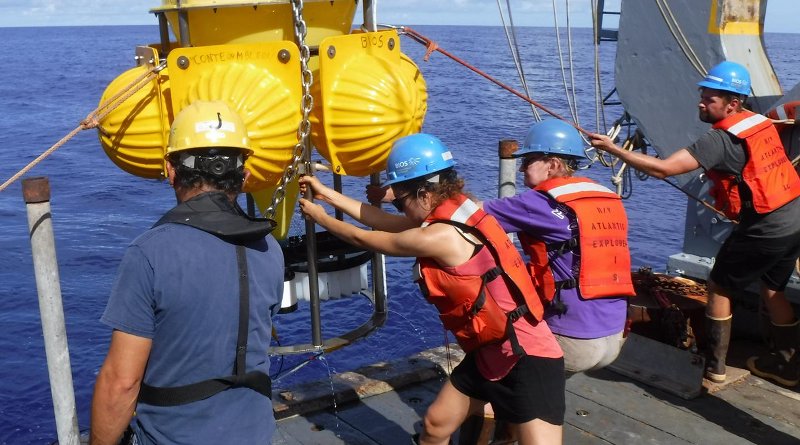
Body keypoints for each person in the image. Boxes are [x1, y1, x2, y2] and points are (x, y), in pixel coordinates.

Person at [299, 133, 566, 445]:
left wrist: (320, 218)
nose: (398, 209)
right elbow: (382, 220)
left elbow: (366, 238)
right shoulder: (460, 211)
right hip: (491, 352)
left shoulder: (440, 237)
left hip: (529, 358)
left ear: (424, 194)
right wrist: (326, 195)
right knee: (436, 426)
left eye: (400, 201)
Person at [590, 61, 800, 387]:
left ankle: (714, 367)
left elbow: (664, 169)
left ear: (732, 104)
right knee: (773, 289)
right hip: (794, 217)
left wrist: (614, 148)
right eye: (702, 95)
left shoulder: (717, 140)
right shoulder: (757, 122)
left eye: (710, 98)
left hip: (766, 227)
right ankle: (787, 365)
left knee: (719, 285)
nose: (701, 103)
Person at [90, 101, 283, 444]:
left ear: (170, 170)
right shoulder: (270, 249)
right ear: (245, 175)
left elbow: (121, 383)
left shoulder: (149, 253)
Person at [482, 119, 635, 374]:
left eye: (528, 160)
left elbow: (467, 215)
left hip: (573, 340)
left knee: (489, 361)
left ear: (552, 165)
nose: (521, 169)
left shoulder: (539, 203)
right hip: (615, 337)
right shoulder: (606, 195)